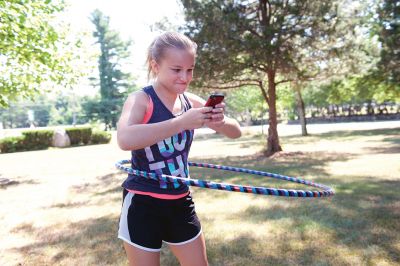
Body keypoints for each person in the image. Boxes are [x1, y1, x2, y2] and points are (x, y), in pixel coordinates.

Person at [116, 31, 241, 266]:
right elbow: (124, 138)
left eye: (190, 69)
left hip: (180, 200)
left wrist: (221, 122)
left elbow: (237, 132)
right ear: (155, 65)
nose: (185, 77)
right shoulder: (141, 99)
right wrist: (180, 123)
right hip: (143, 203)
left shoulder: (188, 101)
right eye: (176, 69)